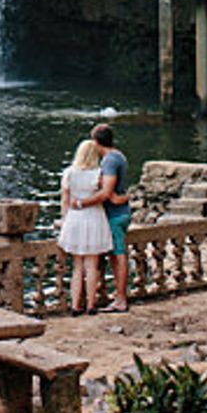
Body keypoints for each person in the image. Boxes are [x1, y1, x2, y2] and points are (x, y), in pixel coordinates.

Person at [56, 139, 113, 314]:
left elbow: (65, 201)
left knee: (77, 267)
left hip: (75, 219)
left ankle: (75, 305)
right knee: (92, 266)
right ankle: (91, 305)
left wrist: (64, 221)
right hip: (94, 217)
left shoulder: (69, 173)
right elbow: (104, 195)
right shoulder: (99, 173)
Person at [90, 122, 131, 312]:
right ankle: (117, 297)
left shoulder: (109, 161)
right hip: (120, 212)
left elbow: (107, 193)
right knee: (115, 256)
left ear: (97, 142)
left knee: (119, 255)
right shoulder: (119, 156)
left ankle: (121, 299)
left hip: (115, 215)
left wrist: (82, 203)